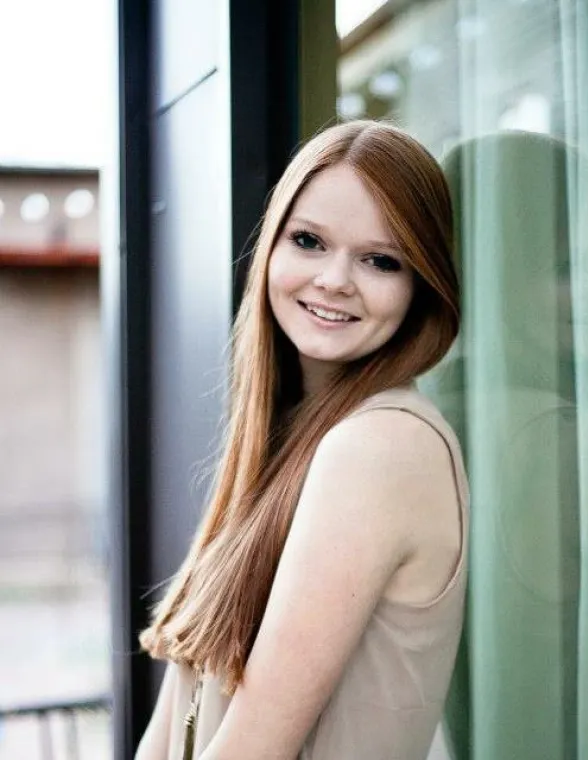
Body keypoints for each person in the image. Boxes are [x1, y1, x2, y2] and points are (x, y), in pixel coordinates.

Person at [135, 120, 469, 760]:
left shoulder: (381, 446)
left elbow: (253, 748)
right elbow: (173, 718)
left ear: (419, 286)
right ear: (271, 250)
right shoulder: (289, 438)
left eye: (380, 259)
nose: (335, 279)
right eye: (309, 241)